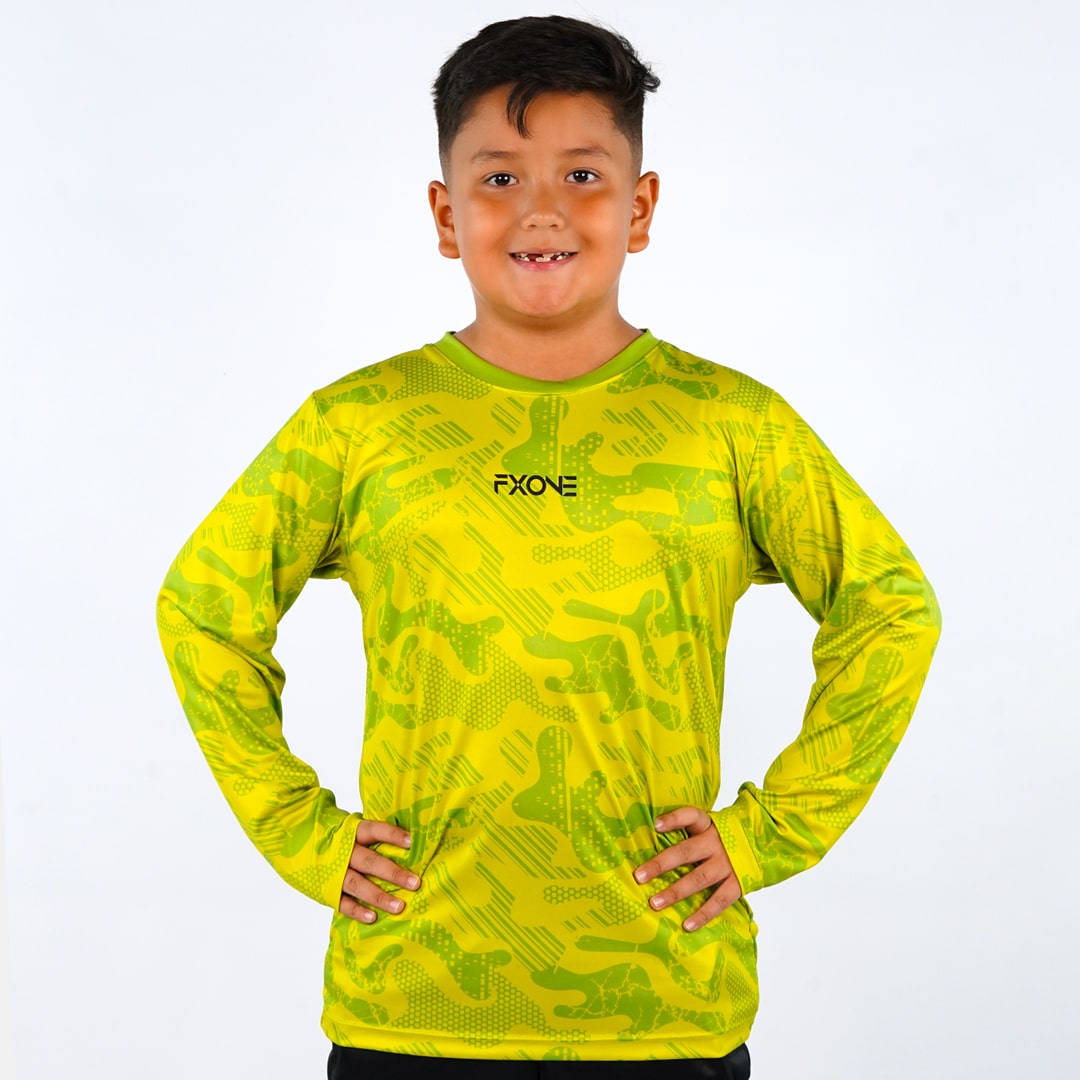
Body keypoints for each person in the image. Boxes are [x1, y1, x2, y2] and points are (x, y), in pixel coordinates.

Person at [156, 15, 940, 1079]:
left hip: (664, 1005)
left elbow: (891, 607)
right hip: (412, 1003)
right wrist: (301, 833)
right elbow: (203, 607)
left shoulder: (731, 426)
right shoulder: (360, 425)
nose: (541, 211)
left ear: (640, 207)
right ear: (446, 215)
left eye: (582, 174)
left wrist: (770, 833)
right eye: (498, 178)